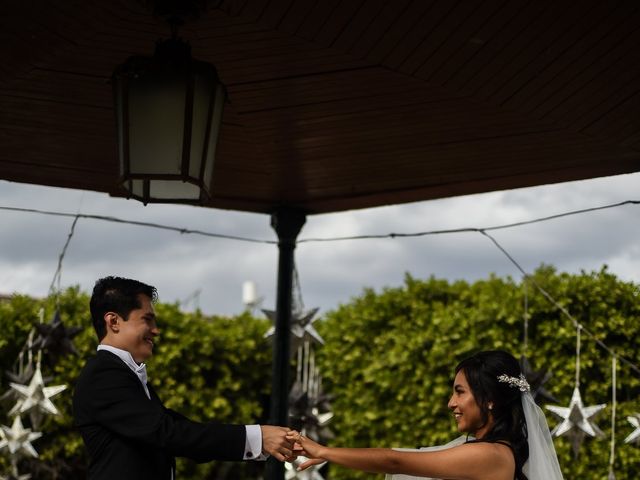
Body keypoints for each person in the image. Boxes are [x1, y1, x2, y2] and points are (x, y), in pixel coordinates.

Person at [73, 276, 295, 480]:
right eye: (147, 319)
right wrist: (257, 438)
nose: (155, 330)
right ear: (113, 322)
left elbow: (181, 430)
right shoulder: (103, 375)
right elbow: (170, 434)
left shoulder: (122, 375)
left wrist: (262, 439)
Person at [287, 350, 564, 480]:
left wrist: (325, 451)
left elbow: (394, 460)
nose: (450, 403)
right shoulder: (488, 451)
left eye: (460, 392)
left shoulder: (490, 455)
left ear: (489, 400)